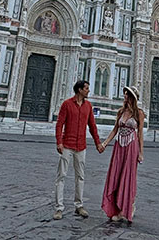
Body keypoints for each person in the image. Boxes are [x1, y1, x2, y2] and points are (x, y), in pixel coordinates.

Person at [53, 80, 104, 220]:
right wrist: (59, 142)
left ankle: (79, 206)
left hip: (81, 146)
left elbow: (92, 126)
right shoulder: (67, 104)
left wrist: (98, 143)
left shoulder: (88, 106)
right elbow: (59, 124)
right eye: (86, 88)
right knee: (61, 176)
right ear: (79, 90)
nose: (88, 91)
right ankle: (59, 208)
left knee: (80, 177)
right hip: (67, 145)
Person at [101, 86, 145, 224]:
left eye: (127, 95)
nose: (124, 97)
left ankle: (126, 208)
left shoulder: (139, 113)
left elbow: (140, 134)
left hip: (132, 147)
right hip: (119, 146)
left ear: (133, 97)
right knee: (116, 175)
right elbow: (115, 130)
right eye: (124, 94)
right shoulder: (121, 112)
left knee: (128, 176)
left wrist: (141, 153)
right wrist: (105, 143)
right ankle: (116, 206)